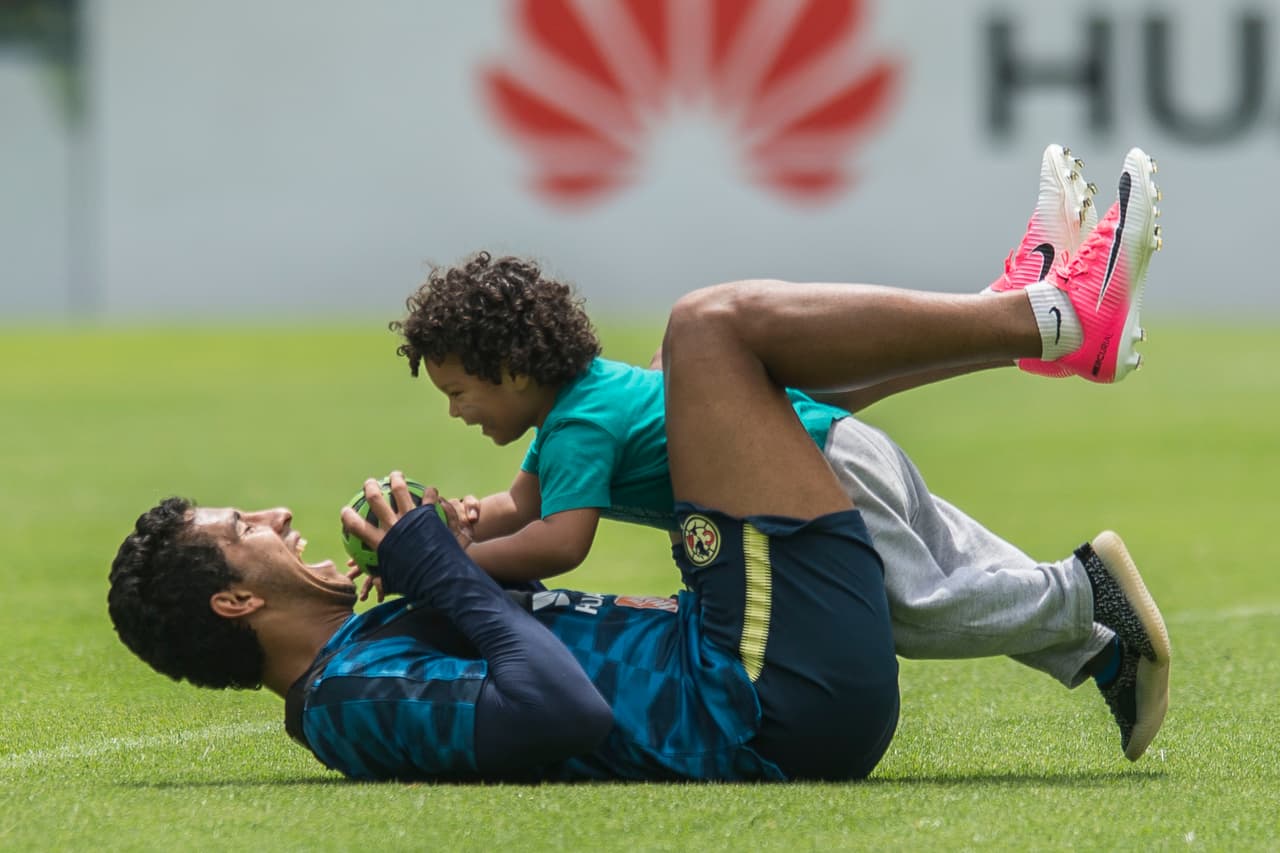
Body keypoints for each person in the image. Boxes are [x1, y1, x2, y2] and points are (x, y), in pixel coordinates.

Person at [108, 152, 1171, 781]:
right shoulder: (347, 706)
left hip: (755, 660)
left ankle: (1074, 562)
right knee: (705, 331)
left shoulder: (359, 645)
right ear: (238, 597)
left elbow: (516, 622)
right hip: (760, 700)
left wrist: (454, 541)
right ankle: (1047, 318)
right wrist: (436, 569)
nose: (277, 511)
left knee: (709, 369)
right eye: (245, 527)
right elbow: (553, 712)